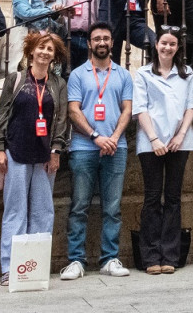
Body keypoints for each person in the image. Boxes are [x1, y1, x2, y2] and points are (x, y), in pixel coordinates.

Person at [0, 30, 69, 286]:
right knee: (15, 211)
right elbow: (2, 116)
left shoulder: (58, 84)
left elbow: (61, 120)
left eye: (50, 49)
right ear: (31, 51)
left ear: (54, 56)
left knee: (43, 212)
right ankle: (10, 267)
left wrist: (56, 150)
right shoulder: (15, 80)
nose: (45, 52)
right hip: (16, 152)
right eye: (41, 47)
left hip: (45, 156)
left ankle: (35, 266)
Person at [61, 23, 134, 280]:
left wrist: (112, 138)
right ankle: (76, 260)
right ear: (90, 44)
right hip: (83, 148)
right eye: (96, 39)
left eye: (106, 38)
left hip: (116, 148)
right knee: (79, 205)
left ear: (112, 43)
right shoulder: (79, 74)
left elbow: (127, 109)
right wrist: (96, 137)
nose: (101, 42)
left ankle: (109, 258)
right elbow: (73, 110)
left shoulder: (124, 75)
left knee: (112, 207)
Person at [133, 30, 193, 273]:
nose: (168, 48)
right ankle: (151, 257)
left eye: (172, 44)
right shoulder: (142, 73)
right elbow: (140, 108)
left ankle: (170, 256)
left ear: (177, 48)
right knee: (152, 198)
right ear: (156, 45)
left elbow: (192, 106)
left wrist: (180, 135)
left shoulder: (187, 73)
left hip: (179, 142)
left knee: (173, 198)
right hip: (150, 143)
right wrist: (154, 139)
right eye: (164, 43)